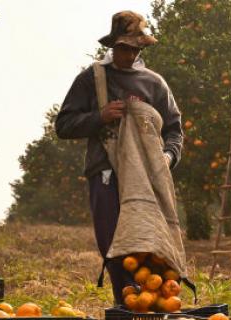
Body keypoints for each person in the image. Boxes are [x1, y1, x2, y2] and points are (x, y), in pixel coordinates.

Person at [55, 11, 183, 304]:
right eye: (125, 47)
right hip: (106, 172)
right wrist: (99, 117)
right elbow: (63, 125)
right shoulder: (92, 79)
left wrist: (167, 157)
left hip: (148, 177)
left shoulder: (154, 84)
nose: (130, 54)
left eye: (136, 48)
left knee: (152, 245)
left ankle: (155, 308)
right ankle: (125, 306)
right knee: (116, 247)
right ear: (113, 45)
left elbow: (175, 130)